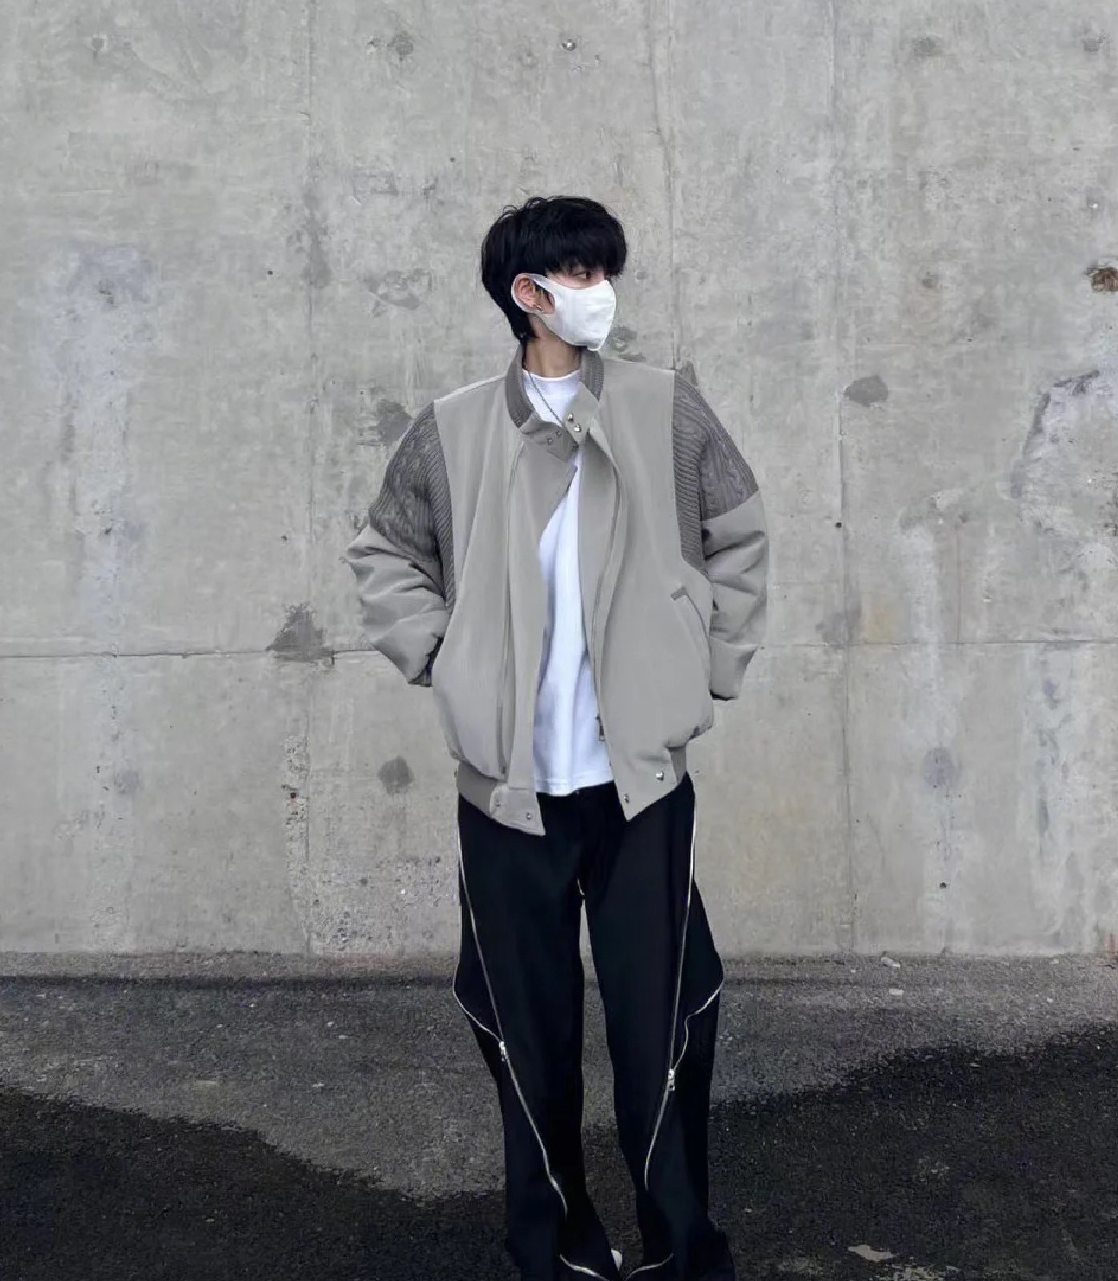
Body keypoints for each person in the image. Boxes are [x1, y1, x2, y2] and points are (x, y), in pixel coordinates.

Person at [345, 195, 768, 1281]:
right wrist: (445, 658)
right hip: (509, 792)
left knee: (666, 1024)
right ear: (525, 293)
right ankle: (556, 1249)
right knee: (522, 1030)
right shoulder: (452, 428)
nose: (599, 290)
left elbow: (738, 532)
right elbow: (386, 552)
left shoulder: (665, 408)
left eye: (603, 269)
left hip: (640, 788)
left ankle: (682, 1248)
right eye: (578, 272)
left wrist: (706, 665)